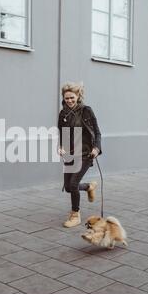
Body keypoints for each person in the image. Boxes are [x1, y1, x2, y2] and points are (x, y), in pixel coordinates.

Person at [58, 82, 102, 228]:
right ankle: (89, 186)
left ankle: (75, 215)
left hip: (85, 153)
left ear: (78, 96)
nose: (69, 101)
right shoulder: (63, 113)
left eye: (72, 97)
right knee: (69, 187)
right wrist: (61, 147)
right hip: (70, 154)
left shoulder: (86, 111)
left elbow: (97, 132)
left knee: (73, 184)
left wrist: (96, 148)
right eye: (66, 98)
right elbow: (63, 134)